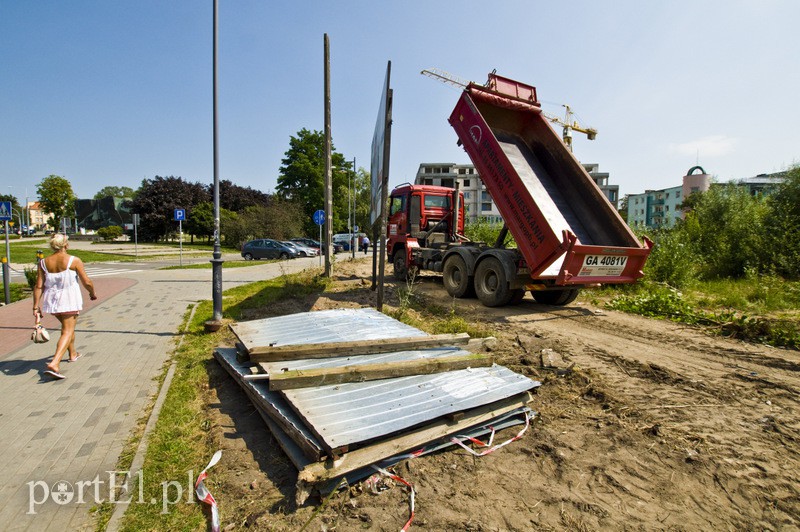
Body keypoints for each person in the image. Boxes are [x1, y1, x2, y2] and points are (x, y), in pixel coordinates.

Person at [33, 233, 97, 380]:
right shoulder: (73, 260)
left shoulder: (43, 262)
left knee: (67, 328)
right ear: (66, 245)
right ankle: (55, 363)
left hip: (52, 301)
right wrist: (92, 293)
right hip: (68, 299)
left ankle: (73, 353)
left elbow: (38, 286)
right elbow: (86, 282)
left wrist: (35, 306)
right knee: (67, 331)